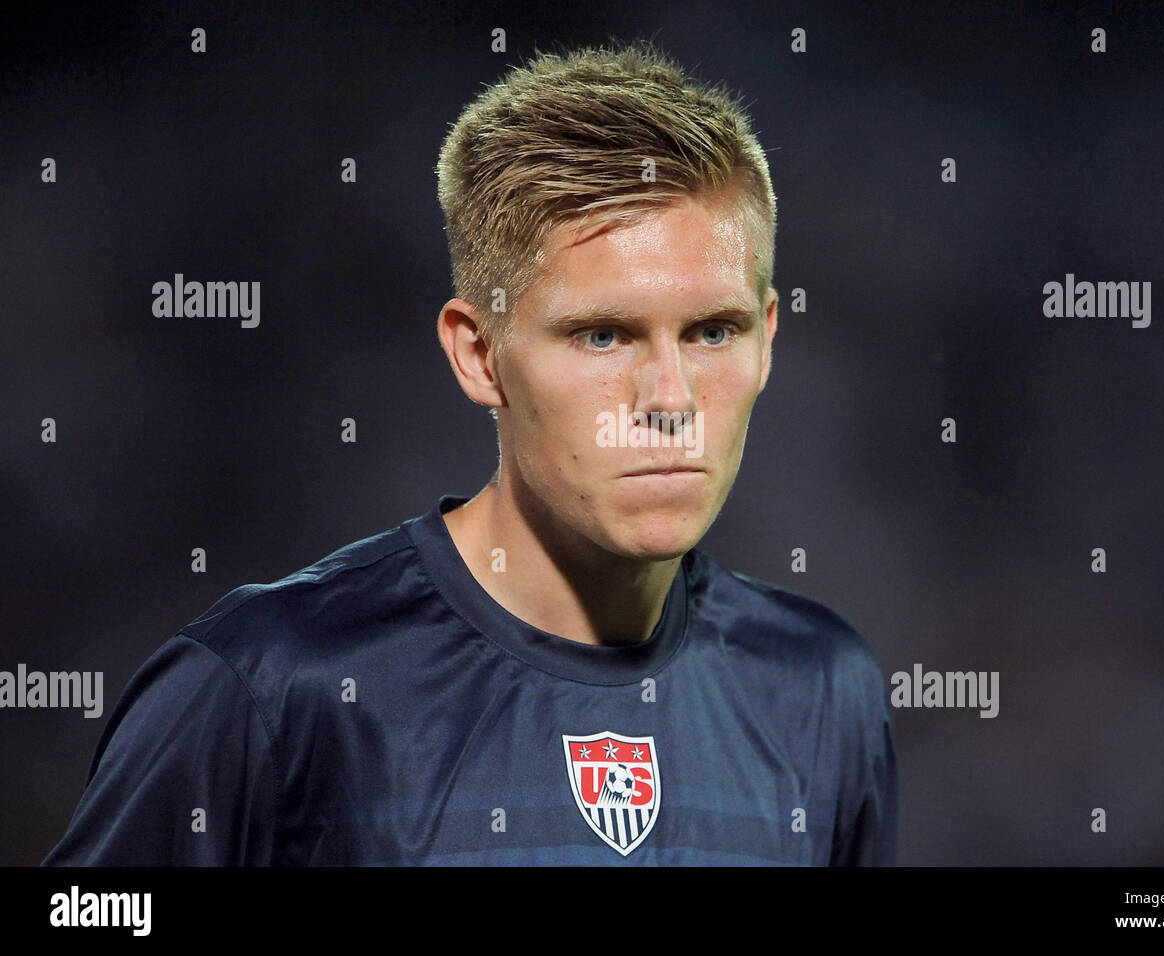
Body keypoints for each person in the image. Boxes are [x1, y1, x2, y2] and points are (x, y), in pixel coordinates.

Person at [43, 39, 898, 865]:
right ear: (479, 354)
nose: (670, 399)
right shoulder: (270, 687)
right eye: (603, 336)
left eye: (714, 330)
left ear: (770, 339)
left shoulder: (820, 689)